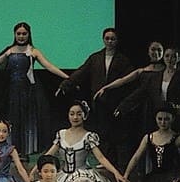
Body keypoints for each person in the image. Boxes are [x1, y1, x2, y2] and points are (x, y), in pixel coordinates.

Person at [0, 22, 70, 157]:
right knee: (14, 119)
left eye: (24, 34)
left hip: (29, 92)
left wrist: (69, 78)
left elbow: (49, 66)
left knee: (27, 121)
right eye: (19, 34)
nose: (21, 36)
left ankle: (26, 150)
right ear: (14, 34)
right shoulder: (10, 51)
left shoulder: (33, 51)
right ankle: (13, 149)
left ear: (29, 35)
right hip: (13, 91)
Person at [56, 27, 132, 164]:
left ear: (117, 40)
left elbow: (128, 81)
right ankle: (103, 161)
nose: (110, 41)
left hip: (116, 101)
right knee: (101, 131)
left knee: (116, 133)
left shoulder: (123, 60)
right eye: (107, 38)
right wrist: (65, 85)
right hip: (99, 100)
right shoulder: (95, 57)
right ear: (103, 40)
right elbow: (81, 72)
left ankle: (116, 162)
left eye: (113, 39)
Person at [48, 102, 130, 182]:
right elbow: (49, 154)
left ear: (84, 116)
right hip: (64, 175)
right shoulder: (61, 134)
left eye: (79, 114)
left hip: (82, 173)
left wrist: (116, 173)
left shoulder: (89, 136)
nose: (75, 117)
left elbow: (101, 158)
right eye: (72, 114)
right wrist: (36, 168)